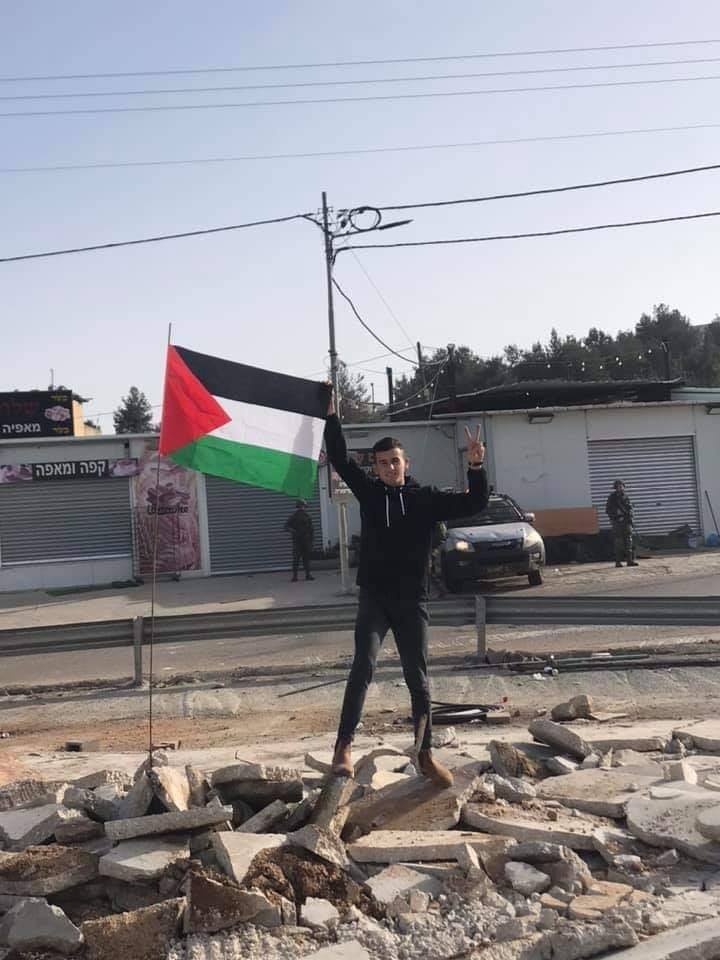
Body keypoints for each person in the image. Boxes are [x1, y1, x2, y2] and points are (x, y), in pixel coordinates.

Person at [324, 395, 489, 787]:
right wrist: (331, 416)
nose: (389, 468)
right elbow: (340, 458)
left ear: (405, 464)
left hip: (412, 600)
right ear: (377, 468)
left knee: (419, 678)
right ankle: (343, 747)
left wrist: (476, 465)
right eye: (382, 463)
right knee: (363, 665)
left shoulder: (424, 500)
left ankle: (425, 753)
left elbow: (474, 503)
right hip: (375, 599)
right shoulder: (368, 493)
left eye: (395, 461)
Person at [605, 480, 638, 568]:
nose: (620, 487)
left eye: (621, 486)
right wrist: (617, 514)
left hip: (626, 522)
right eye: (618, 486)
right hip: (617, 522)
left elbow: (630, 508)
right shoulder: (612, 497)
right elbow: (608, 510)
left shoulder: (626, 496)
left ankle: (630, 561)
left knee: (629, 541)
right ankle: (618, 562)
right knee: (618, 542)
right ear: (615, 487)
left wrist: (630, 516)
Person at [284, 499, 315, 582]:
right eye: (302, 506)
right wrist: (293, 531)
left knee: (302, 559)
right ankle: (301, 576)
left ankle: (302, 576)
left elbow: (311, 530)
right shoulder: (298, 516)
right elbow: (286, 527)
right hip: (300, 541)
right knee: (301, 559)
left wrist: (311, 541)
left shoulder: (304, 516)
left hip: (302, 540)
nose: (302, 508)